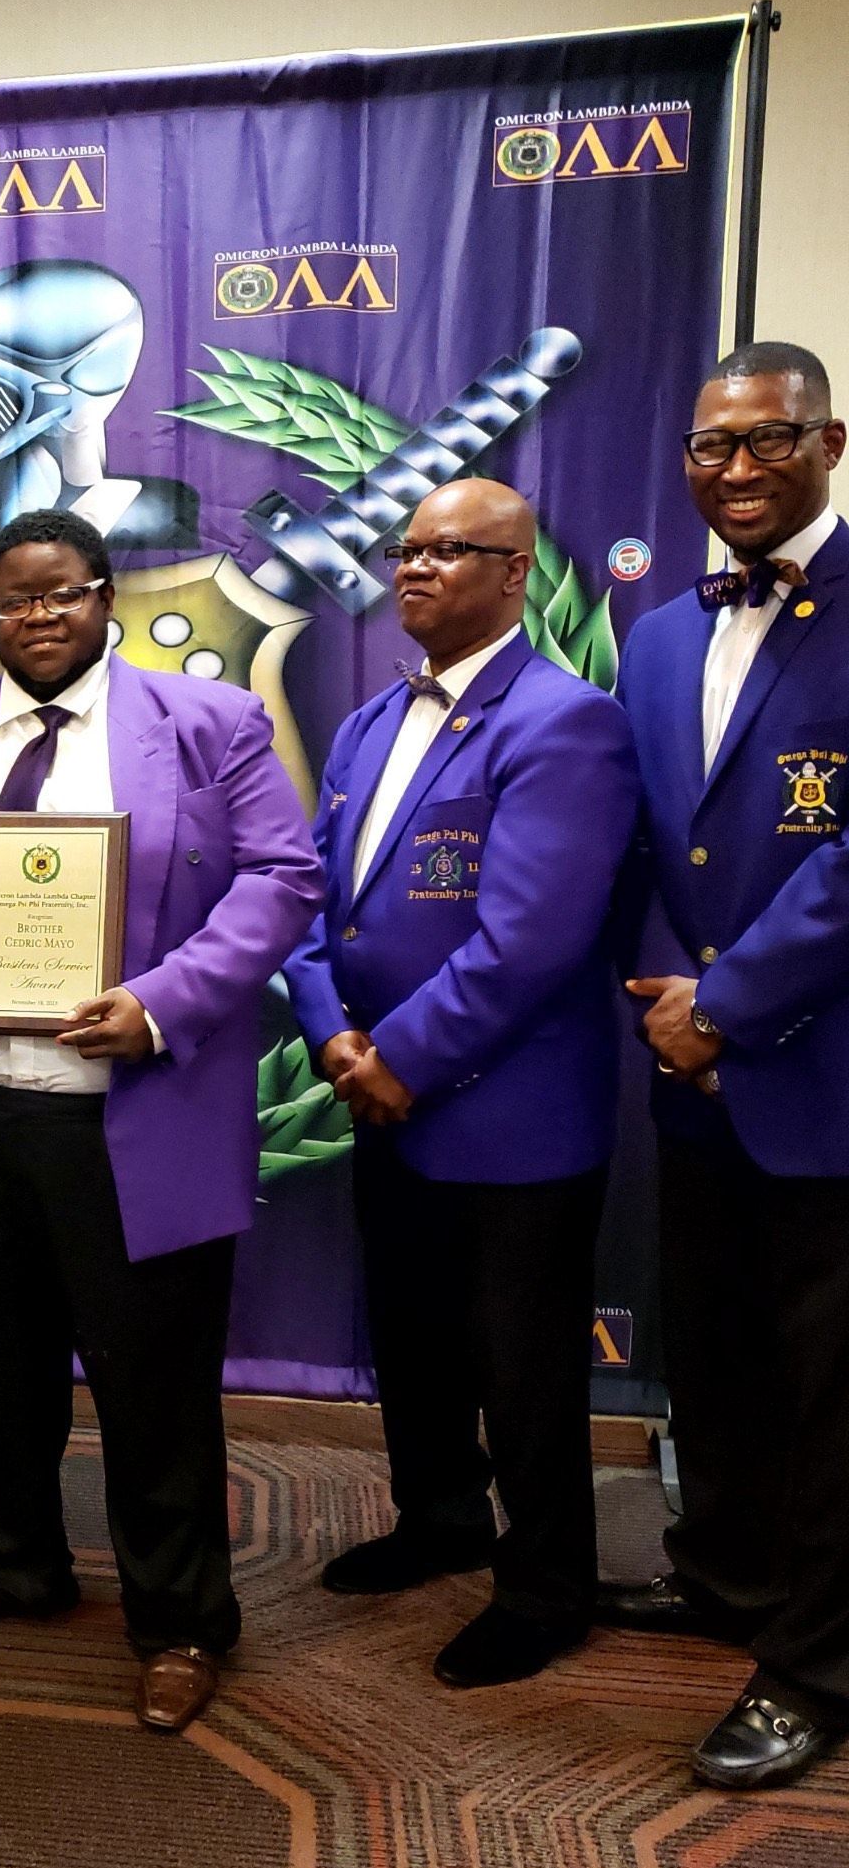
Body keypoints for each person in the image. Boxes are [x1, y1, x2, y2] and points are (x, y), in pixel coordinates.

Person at [0, 508, 322, 1731]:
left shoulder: (204, 722)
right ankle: (8, 1565)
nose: (38, 617)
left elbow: (283, 877)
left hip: (132, 1117)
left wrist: (163, 1005)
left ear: (104, 597)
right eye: (14, 599)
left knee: (154, 1390)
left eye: (62, 594)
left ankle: (178, 1621)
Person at [282, 479, 639, 1689]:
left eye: (453, 551)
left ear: (517, 573)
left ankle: (546, 1591)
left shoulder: (565, 721)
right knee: (416, 1336)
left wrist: (401, 1060)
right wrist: (336, 1040)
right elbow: (312, 906)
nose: (419, 569)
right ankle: (440, 1520)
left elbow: (532, 939)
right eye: (410, 548)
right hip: (379, 1096)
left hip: (509, 1110)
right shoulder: (366, 724)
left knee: (524, 1366)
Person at [602, 341, 849, 1790]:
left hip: (821, 1074)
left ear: (830, 443)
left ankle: (813, 1666)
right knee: (723, 1357)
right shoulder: (658, 637)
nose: (735, 472)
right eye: (711, 448)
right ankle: (731, 1579)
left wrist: (730, 1003)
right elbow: (648, 841)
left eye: (767, 443)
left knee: (831, 1395)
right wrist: (663, 1004)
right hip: (689, 1078)